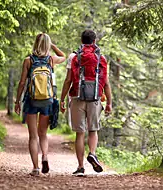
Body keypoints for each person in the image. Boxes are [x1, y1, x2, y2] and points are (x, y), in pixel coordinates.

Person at [60, 30, 112, 176]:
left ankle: (81, 167)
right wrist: (109, 102)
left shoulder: (74, 57)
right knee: (93, 130)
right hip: (95, 98)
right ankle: (93, 153)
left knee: (80, 134)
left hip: (76, 97)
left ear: (81, 41)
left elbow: (68, 80)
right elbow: (106, 83)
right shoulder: (101, 57)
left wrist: (62, 98)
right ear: (94, 41)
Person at [15, 33, 66, 176]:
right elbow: (63, 56)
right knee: (43, 134)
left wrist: (17, 101)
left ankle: (36, 168)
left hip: (31, 100)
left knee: (33, 136)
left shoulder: (28, 60)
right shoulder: (51, 59)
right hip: (47, 101)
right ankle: (44, 156)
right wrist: (52, 46)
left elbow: (22, 83)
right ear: (47, 45)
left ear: (35, 43)